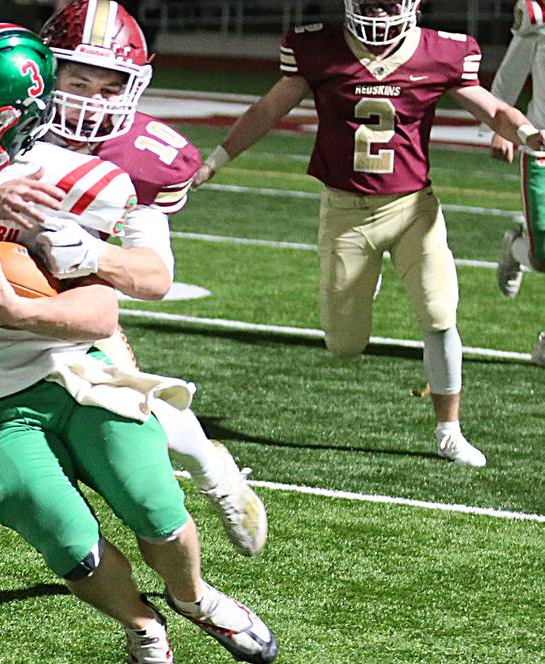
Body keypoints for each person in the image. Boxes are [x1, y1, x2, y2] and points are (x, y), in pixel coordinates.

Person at [0, 25, 277, 664]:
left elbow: (113, 305)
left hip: (72, 370)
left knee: (156, 509)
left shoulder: (84, 178)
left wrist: (21, 310)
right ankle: (145, 629)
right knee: (67, 544)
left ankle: (197, 595)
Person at [193, 0, 545, 468]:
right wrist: (214, 160)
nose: (378, 14)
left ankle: (449, 430)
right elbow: (267, 110)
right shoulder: (317, 47)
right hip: (344, 215)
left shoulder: (442, 53)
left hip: (413, 209)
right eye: (370, 2)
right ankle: (368, 275)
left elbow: (494, 108)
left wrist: (526, 133)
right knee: (344, 344)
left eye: (388, 3)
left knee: (440, 313)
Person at [488, 0, 545, 367]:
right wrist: (502, 126)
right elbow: (513, 69)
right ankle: (516, 246)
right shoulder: (538, 12)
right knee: (542, 257)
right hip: (542, 144)